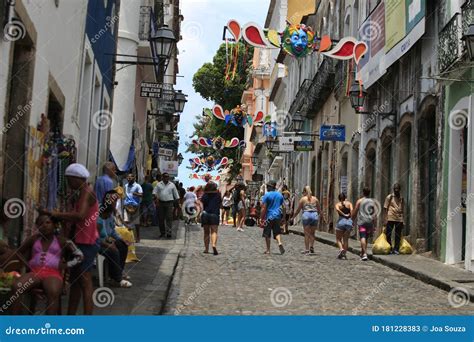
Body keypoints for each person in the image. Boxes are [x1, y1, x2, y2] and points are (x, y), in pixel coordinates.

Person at [39, 163, 99, 315]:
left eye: (69, 180)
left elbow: (80, 216)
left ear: (76, 179)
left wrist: (56, 214)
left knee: (85, 281)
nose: (68, 184)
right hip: (80, 240)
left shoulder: (87, 191)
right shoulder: (82, 192)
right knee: (76, 282)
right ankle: (71, 316)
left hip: (86, 241)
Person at [11, 213, 83, 315]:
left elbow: (80, 256)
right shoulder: (34, 239)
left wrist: (66, 265)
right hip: (35, 273)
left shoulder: (62, 240)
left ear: (54, 225)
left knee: (53, 292)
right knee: (16, 287)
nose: (44, 225)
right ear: (37, 226)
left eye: (48, 222)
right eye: (40, 223)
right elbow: (18, 252)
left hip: (53, 273)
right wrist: (27, 265)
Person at [97, 190, 132, 288]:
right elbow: (95, 237)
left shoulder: (110, 214)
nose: (114, 203)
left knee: (122, 245)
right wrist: (107, 244)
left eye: (115, 200)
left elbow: (112, 231)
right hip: (98, 243)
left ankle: (118, 272)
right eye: (112, 200)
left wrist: (121, 239)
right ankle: (117, 279)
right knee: (113, 250)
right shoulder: (98, 214)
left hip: (106, 241)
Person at [292, 186, 320, 255]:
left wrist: (293, 217)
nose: (302, 194)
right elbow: (319, 210)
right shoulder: (315, 199)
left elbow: (298, 210)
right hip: (314, 215)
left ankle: (307, 249)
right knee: (313, 233)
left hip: (306, 215)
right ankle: (312, 247)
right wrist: (318, 216)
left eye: (303, 192)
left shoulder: (303, 199)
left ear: (305, 192)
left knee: (307, 234)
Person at [260, 180, 285, 255]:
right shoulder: (280, 195)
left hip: (269, 217)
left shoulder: (267, 195)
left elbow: (264, 208)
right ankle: (279, 243)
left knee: (267, 233)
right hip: (277, 216)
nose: (267, 188)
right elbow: (283, 207)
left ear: (271, 187)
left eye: (268, 186)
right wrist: (283, 217)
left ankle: (268, 250)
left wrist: (261, 217)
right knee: (277, 232)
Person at [352, 187, 376, 261]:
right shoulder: (372, 202)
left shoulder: (359, 201)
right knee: (366, 237)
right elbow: (374, 213)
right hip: (369, 222)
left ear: (363, 192)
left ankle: (365, 254)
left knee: (362, 236)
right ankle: (362, 253)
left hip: (362, 222)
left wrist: (352, 220)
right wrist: (374, 223)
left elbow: (355, 211)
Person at [153, 172, 179, 238]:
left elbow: (176, 195)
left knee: (169, 218)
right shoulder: (158, 184)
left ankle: (169, 232)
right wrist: (156, 197)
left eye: (167, 176)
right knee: (161, 219)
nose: (166, 178)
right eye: (165, 176)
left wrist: (177, 204)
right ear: (162, 177)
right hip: (160, 203)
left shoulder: (172, 185)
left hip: (169, 203)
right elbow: (154, 192)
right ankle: (162, 232)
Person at [201, 182, 222, 255]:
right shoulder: (218, 195)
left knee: (206, 233)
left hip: (205, 214)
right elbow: (220, 204)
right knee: (214, 231)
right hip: (215, 214)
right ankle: (213, 245)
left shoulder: (205, 195)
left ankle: (206, 249)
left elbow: (202, 203)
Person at [384, 183, 405, 255]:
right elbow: (385, 208)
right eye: (395, 189)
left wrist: (403, 220)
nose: (396, 191)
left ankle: (396, 249)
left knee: (398, 234)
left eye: (397, 190)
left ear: (399, 190)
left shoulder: (401, 198)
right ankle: (389, 247)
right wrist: (385, 218)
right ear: (393, 189)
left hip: (399, 218)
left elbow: (402, 209)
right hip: (390, 217)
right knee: (388, 233)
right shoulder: (389, 197)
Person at [124, 173, 143, 242]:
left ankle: (137, 237)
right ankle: (128, 236)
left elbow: (141, 194)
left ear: (133, 178)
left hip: (135, 206)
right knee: (126, 221)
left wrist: (136, 194)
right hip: (127, 205)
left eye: (130, 177)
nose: (128, 178)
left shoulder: (137, 186)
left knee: (136, 222)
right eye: (127, 177)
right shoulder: (125, 186)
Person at [335, 193, 353, 259]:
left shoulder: (338, 204)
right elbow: (351, 210)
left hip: (341, 222)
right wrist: (349, 216)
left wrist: (343, 214)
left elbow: (337, 209)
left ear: (339, 198)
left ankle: (341, 249)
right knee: (346, 240)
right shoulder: (349, 203)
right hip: (349, 222)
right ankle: (344, 253)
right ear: (345, 197)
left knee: (338, 239)